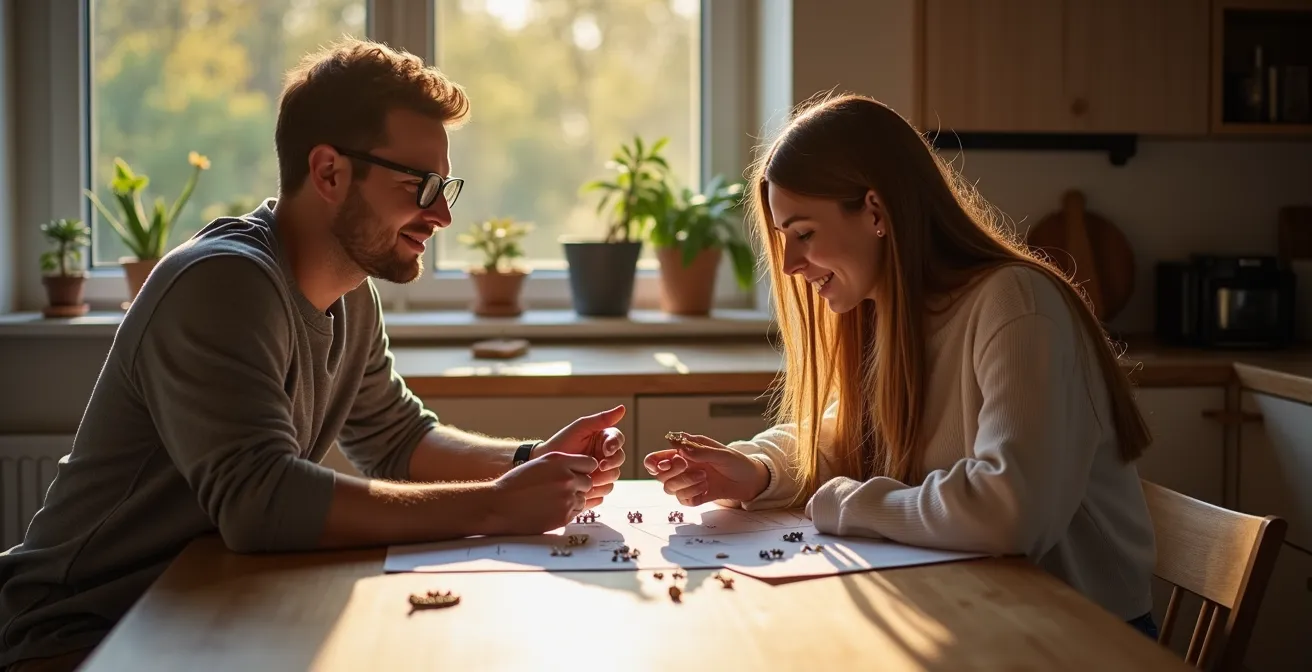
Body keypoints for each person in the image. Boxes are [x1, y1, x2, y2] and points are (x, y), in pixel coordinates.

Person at [0, 38, 627, 671]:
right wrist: (495, 505)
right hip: (81, 635)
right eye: (420, 185)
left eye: (446, 188)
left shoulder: (351, 294)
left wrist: (529, 460)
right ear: (328, 172)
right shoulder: (221, 282)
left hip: (205, 607)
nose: (440, 215)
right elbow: (261, 502)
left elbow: (396, 440)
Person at [646, 94, 1159, 638]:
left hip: (1081, 639)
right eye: (784, 239)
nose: (792, 265)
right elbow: (847, 437)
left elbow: (1011, 512)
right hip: (977, 619)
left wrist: (853, 504)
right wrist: (758, 470)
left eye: (805, 233)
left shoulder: (1016, 303)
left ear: (874, 211)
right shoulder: (892, 311)